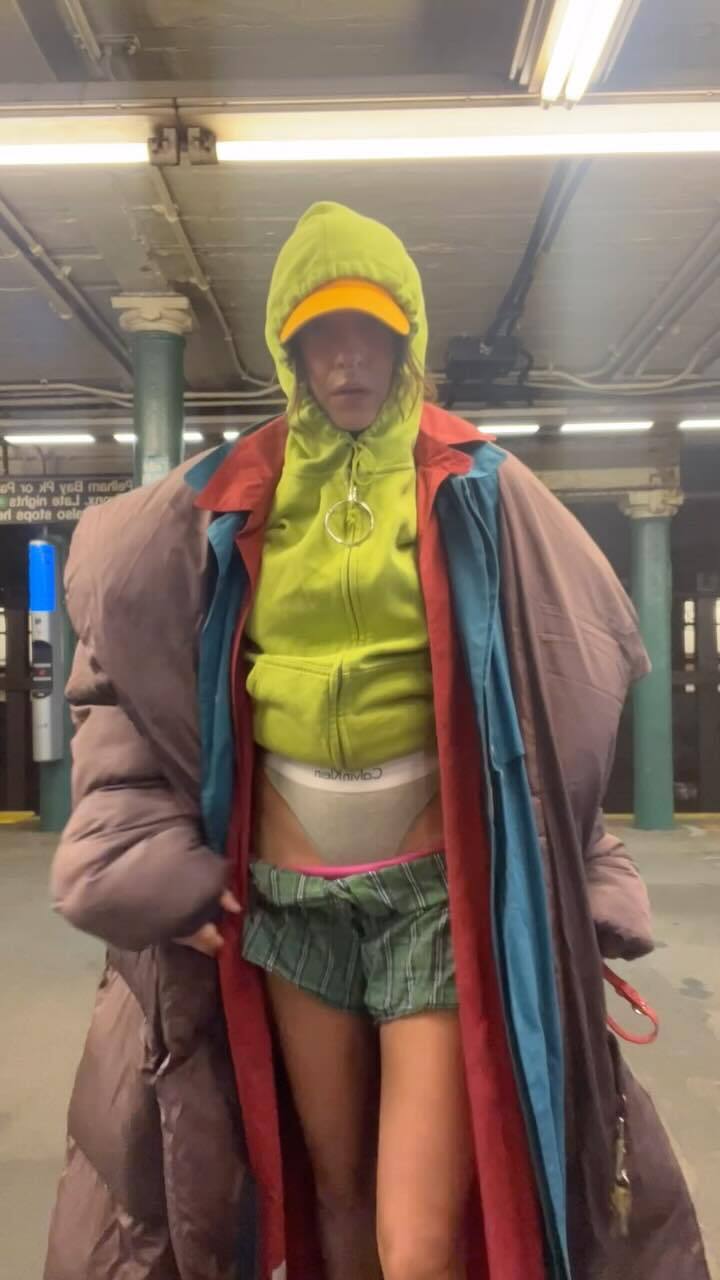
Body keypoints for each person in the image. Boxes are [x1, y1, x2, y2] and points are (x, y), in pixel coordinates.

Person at [45, 202, 709, 1280]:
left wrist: (563, 857)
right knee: (333, 1189)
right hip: (287, 897)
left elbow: (583, 654)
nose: (347, 357)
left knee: (418, 1233)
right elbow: (117, 652)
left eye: (369, 332)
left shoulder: (478, 482)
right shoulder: (221, 496)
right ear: (289, 349)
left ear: (406, 338)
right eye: (321, 334)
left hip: (430, 901)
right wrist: (153, 857)